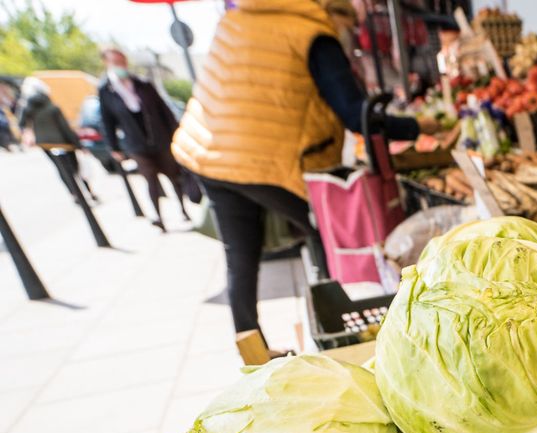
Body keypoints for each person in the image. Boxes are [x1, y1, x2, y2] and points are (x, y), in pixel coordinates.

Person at [172, 0, 433, 349]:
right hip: (264, 157)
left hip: (209, 151)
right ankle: (345, 330)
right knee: (325, 232)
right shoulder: (313, 33)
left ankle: (254, 351)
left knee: (240, 257)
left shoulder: (238, 19)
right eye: (350, 28)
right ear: (336, 13)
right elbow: (357, 116)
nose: (350, 36)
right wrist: (418, 126)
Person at [97, 48, 189, 231]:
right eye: (116, 61)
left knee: (173, 175)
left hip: (160, 138)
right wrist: (114, 147)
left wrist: (177, 134)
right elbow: (107, 121)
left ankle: (184, 210)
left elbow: (164, 111)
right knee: (150, 180)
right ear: (106, 63)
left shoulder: (142, 83)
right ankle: (159, 218)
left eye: (122, 61)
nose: (121, 65)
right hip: (136, 143)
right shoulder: (106, 90)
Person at [16, 77, 98, 202]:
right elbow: (65, 128)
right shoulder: (52, 107)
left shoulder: (28, 108)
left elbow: (21, 123)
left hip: (44, 143)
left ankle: (74, 194)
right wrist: (79, 145)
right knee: (76, 168)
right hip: (64, 143)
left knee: (62, 169)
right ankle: (88, 192)